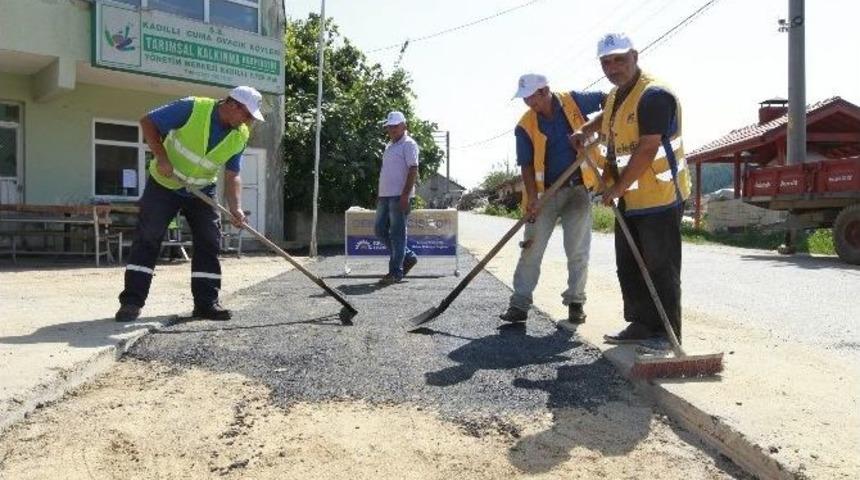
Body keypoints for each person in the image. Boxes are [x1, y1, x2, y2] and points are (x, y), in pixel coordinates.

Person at [570, 33, 691, 349]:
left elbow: (648, 147)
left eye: (619, 60)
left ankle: (666, 334)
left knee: (660, 266)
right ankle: (641, 324)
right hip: (629, 197)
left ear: (635, 56)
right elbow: (607, 117)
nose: (613, 68)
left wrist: (617, 187)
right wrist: (585, 130)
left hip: (660, 196)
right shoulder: (616, 95)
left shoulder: (654, 95)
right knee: (629, 264)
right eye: (606, 62)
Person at [114, 86, 265, 322]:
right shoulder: (193, 107)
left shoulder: (241, 135)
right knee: (148, 237)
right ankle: (131, 302)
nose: (248, 121)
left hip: (202, 190)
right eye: (247, 114)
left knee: (209, 240)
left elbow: (232, 174)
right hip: (165, 184)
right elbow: (148, 122)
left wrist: (235, 207)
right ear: (231, 104)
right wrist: (161, 157)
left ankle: (206, 304)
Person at [499, 74, 605, 325]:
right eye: (525, 99)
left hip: (578, 190)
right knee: (531, 249)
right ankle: (519, 304)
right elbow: (526, 166)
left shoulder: (574, 101)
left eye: (531, 97)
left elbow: (610, 101)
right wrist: (533, 199)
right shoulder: (524, 126)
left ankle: (576, 303)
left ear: (545, 91)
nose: (528, 103)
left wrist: (594, 128)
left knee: (577, 250)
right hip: (544, 194)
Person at [375, 111, 420, 285]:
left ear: (404, 126)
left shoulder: (409, 144)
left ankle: (395, 272)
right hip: (385, 196)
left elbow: (413, 169)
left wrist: (405, 195)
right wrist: (380, 194)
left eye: (395, 126)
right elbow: (387, 172)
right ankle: (408, 257)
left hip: (399, 196)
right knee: (379, 230)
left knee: (397, 235)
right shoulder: (389, 146)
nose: (392, 129)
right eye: (389, 126)